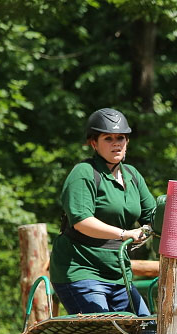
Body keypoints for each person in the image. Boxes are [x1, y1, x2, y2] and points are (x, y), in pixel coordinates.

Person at [50, 108, 155, 315]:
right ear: (94, 143)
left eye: (121, 138)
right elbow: (82, 221)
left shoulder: (132, 175)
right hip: (81, 271)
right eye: (108, 138)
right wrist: (125, 234)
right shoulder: (84, 173)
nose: (116, 143)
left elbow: (153, 214)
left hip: (118, 273)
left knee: (148, 330)